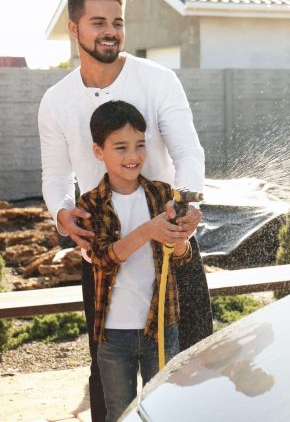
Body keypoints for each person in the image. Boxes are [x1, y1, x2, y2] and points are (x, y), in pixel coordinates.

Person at [38, 0, 212, 422]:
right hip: (105, 253)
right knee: (109, 383)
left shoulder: (157, 79)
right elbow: (57, 175)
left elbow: (188, 150)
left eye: (117, 21)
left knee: (190, 372)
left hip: (171, 241)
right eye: (98, 22)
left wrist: (188, 202)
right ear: (74, 29)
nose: (110, 30)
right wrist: (61, 213)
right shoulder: (56, 101)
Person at [77, 100, 189, 421]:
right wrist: (149, 230)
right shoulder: (91, 204)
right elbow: (101, 259)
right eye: (121, 147)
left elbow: (181, 257)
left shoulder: (161, 194)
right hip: (114, 334)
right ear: (99, 151)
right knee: (120, 414)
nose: (133, 156)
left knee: (166, 410)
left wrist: (179, 239)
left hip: (160, 328)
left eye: (140, 145)